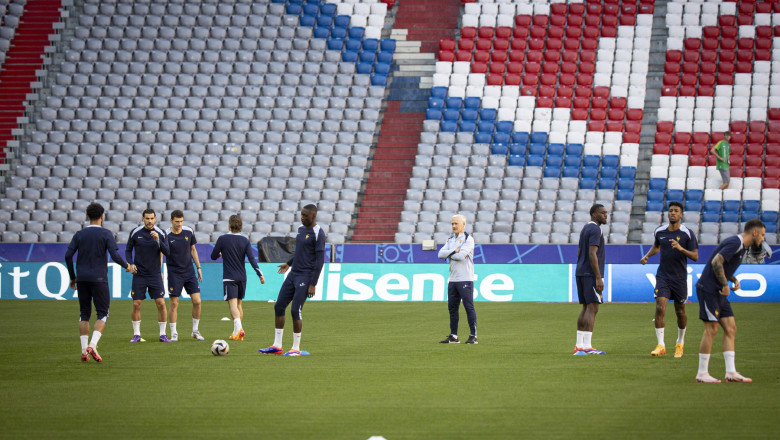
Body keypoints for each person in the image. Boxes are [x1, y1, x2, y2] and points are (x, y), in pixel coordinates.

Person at [695, 219, 765, 383]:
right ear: (754, 232)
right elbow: (716, 262)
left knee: (731, 328)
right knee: (712, 329)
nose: (762, 239)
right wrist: (726, 284)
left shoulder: (741, 246)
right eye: (762, 235)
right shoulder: (735, 242)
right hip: (709, 289)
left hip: (719, 291)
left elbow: (723, 265)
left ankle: (731, 372)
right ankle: (702, 373)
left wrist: (732, 279)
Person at [65, 203, 135, 362]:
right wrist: (128, 266)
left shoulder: (79, 234)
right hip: (99, 278)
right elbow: (115, 255)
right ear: (102, 216)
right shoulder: (106, 234)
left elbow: (68, 256)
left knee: (84, 313)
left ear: (88, 216)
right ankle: (93, 345)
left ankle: (84, 351)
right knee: (103, 313)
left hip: (82, 278)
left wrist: (73, 277)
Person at [259, 204, 326, 356]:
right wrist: (289, 263)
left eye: (305, 216)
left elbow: (320, 260)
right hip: (293, 274)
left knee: (296, 310)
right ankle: (277, 346)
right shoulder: (301, 230)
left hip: (306, 276)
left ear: (313, 216)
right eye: (301, 215)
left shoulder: (318, 233)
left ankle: (296, 348)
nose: (302, 218)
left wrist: (313, 284)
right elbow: (301, 253)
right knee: (279, 306)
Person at [640, 201, 699, 357]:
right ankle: (661, 344)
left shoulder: (687, 233)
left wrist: (680, 248)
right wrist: (647, 255)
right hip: (663, 276)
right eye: (671, 210)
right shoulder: (660, 231)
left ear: (681, 215)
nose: (672, 213)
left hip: (679, 278)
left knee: (680, 312)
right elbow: (656, 247)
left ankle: (680, 343)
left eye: (676, 211)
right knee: (660, 306)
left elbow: (695, 256)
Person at [210, 214, 265, 341]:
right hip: (242, 277)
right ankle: (236, 333)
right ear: (241, 227)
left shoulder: (223, 239)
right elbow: (252, 259)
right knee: (239, 304)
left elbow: (213, 256)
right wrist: (260, 274)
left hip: (229, 277)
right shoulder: (245, 240)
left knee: (232, 305)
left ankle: (239, 328)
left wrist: (220, 254)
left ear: (229, 225)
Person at [126, 208, 171, 343]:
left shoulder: (161, 233)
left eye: (152, 218)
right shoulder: (135, 232)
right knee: (136, 304)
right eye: (147, 218)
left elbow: (167, 252)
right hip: (139, 274)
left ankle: (163, 334)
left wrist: (158, 240)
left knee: (161, 303)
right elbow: (128, 250)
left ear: (155, 218)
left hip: (155, 274)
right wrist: (130, 263)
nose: (150, 221)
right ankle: (136, 334)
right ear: (143, 218)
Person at [573, 204, 608, 355]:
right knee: (593, 308)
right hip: (591, 274)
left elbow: (580, 251)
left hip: (581, 271)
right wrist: (598, 277)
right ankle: (587, 346)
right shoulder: (595, 229)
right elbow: (592, 253)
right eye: (603, 213)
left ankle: (579, 346)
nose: (606, 215)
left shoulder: (585, 228)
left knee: (586, 308)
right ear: (594, 214)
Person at [165, 210, 205, 342]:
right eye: (177, 221)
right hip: (174, 273)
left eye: (181, 221)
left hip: (189, 271)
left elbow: (193, 249)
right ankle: (174, 333)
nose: (179, 224)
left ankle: (195, 331)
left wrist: (198, 267)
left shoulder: (188, 231)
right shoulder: (166, 234)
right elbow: (161, 254)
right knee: (174, 303)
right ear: (171, 220)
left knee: (197, 301)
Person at [437, 214, 478, 344]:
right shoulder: (450, 239)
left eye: (456, 224)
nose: (454, 226)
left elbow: (461, 257)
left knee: (468, 307)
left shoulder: (468, 239)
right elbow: (439, 254)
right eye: (452, 224)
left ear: (463, 225)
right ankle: (454, 336)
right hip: (453, 279)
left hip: (465, 278)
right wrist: (455, 251)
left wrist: (450, 254)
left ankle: (473, 335)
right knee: (452, 308)